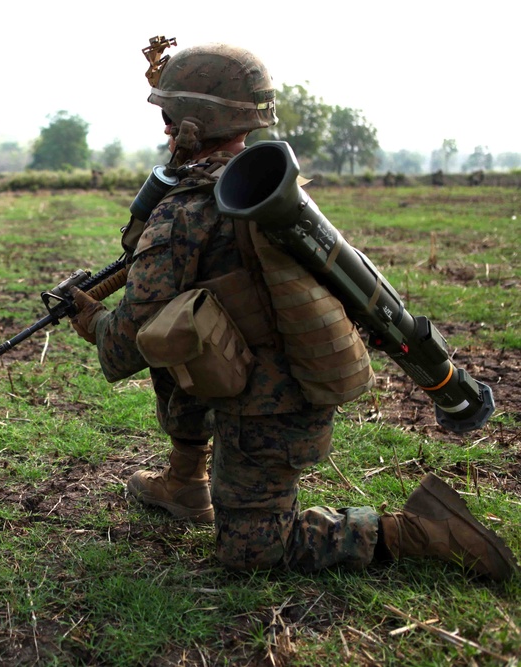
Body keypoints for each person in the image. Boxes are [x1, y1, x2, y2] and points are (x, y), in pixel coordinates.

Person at [65, 42, 518, 580]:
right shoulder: (273, 190)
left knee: (254, 553)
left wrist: (89, 318)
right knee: (179, 328)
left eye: (168, 114)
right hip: (271, 380)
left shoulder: (184, 209)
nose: (163, 127)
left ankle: (423, 530)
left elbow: (126, 341)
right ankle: (185, 484)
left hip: (273, 410)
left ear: (189, 123)